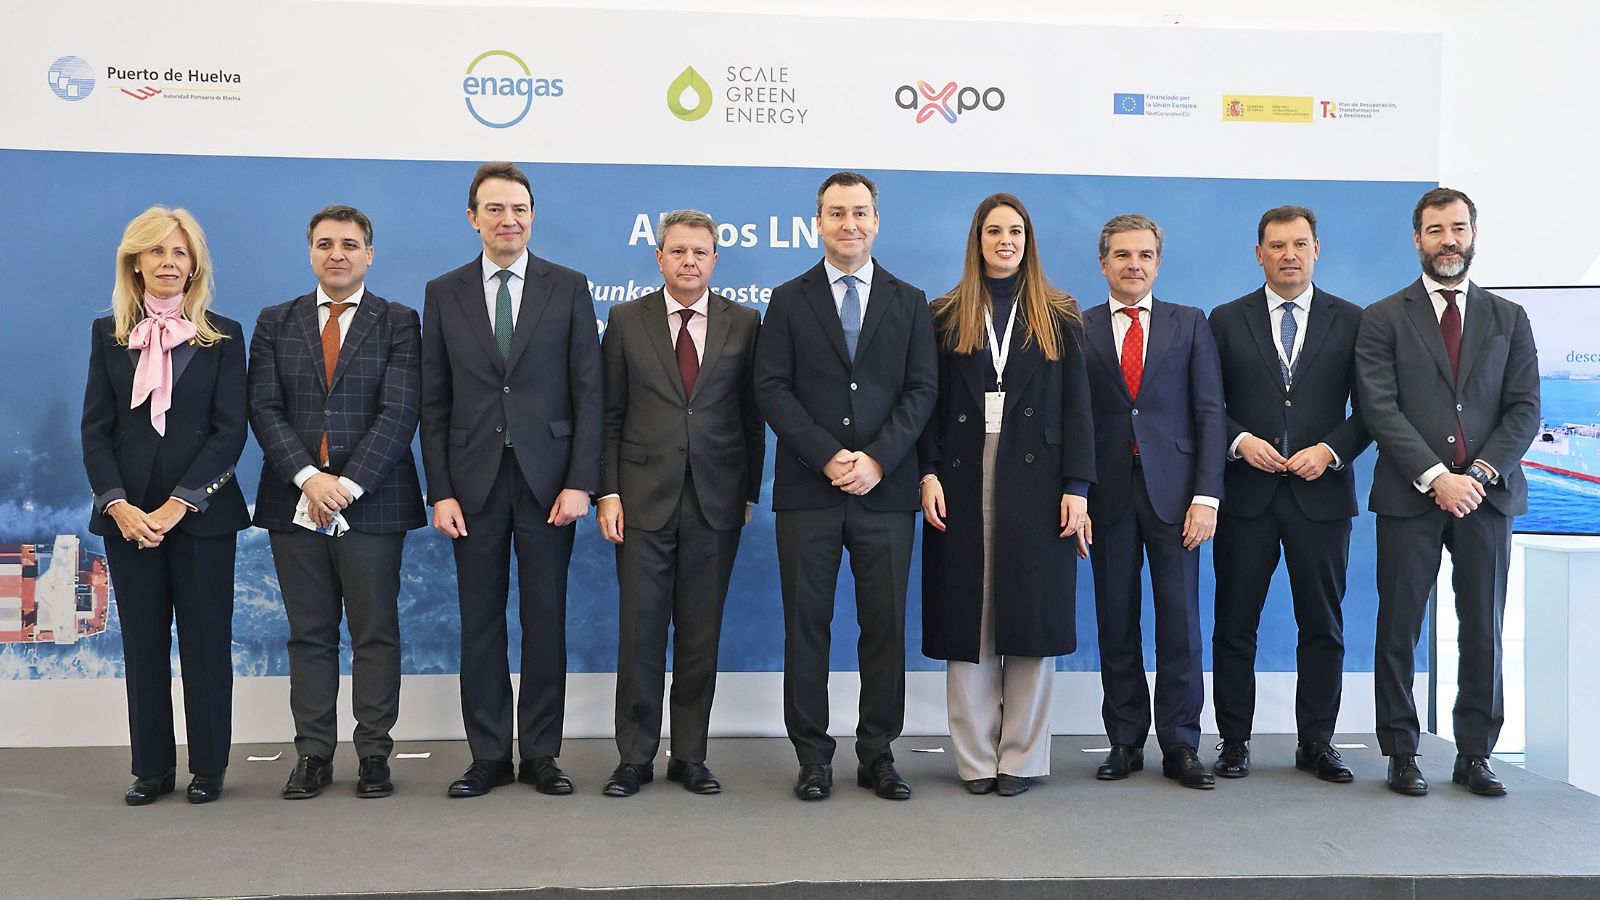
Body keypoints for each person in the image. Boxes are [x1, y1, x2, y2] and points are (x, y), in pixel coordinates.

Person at [420, 161, 602, 798]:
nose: (509, 220)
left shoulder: (569, 286)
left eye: (520, 208)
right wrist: (440, 490)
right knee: (481, 623)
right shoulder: (443, 292)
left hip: (549, 484)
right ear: (473, 218)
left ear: (533, 216)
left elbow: (589, 390)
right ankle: (489, 754)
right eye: (495, 209)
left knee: (546, 620)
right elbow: (434, 403)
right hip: (471, 486)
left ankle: (543, 755)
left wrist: (582, 480)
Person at [754, 171, 937, 801]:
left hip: (885, 492)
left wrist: (878, 460)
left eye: (860, 212)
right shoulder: (788, 299)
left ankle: (879, 753)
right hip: (810, 491)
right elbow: (771, 388)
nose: (849, 224)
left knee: (883, 626)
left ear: (877, 220)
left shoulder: (910, 300)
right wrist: (829, 456)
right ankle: (812, 756)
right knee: (807, 625)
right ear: (819, 223)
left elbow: (922, 390)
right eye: (836, 213)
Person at [1355, 187, 1539, 797]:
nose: (1448, 240)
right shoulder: (1383, 317)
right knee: (1399, 627)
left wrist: (1478, 476)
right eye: (1435, 230)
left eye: (1458, 228)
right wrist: (1438, 478)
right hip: (1412, 497)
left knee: (1482, 626)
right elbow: (1379, 409)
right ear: (1417, 239)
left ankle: (1475, 753)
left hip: (1488, 498)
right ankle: (1402, 752)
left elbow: (1524, 410)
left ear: (1474, 233)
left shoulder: (1509, 318)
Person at [918, 193, 1094, 797]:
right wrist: (928, 472)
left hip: (1038, 479)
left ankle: (1019, 757)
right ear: (977, 239)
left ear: (1028, 240)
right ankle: (973, 759)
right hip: (962, 474)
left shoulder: (1060, 313)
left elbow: (1079, 412)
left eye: (1015, 231)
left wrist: (1078, 487)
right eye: (994, 231)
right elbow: (927, 407)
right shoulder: (944, 313)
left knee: (1029, 617)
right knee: (971, 617)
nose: (1005, 241)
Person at [248, 205, 425, 800]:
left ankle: (374, 754)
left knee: (376, 632)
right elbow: (264, 409)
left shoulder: (399, 321)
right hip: (293, 501)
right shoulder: (276, 321)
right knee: (311, 634)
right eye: (325, 244)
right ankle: (313, 756)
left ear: (369, 254)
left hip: (372, 503)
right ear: (310, 253)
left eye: (350, 244)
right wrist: (308, 478)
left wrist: (343, 486)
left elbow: (399, 413)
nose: (338, 254)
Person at [81, 206, 250, 805]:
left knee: (206, 644)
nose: (168, 263)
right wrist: (118, 506)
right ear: (135, 262)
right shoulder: (108, 334)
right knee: (143, 646)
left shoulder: (224, 335)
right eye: (156, 252)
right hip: (129, 522)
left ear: (194, 264)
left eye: (179, 253)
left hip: (202, 518)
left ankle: (208, 767)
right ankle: (151, 769)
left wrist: (182, 503)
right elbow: (96, 432)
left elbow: (231, 432)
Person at [595, 210, 764, 797]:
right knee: (640, 633)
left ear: (715, 261)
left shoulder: (745, 322)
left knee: (700, 634)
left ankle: (690, 755)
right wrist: (608, 491)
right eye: (678, 251)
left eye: (700, 252)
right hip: (640, 501)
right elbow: (609, 416)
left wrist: (747, 493)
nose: (689, 261)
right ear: (659, 258)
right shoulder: (624, 320)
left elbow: (751, 418)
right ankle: (635, 757)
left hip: (716, 502)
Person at [1207, 206, 1370, 782]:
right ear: (1259, 254)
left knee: (1322, 625)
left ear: (1316, 249)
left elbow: (1372, 410)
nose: (1289, 255)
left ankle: (1317, 743)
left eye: (1300, 244)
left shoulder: (1353, 320)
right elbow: (1206, 407)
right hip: (1246, 496)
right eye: (1277, 246)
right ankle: (1232, 741)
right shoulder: (1225, 320)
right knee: (1233, 624)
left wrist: (1330, 451)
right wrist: (1239, 442)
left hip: (1321, 496)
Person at [1080, 213, 1225, 789]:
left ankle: (1182, 744)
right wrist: (1077, 495)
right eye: (1121, 254)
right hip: (1107, 496)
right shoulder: (1078, 327)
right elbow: (1074, 420)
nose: (1133, 264)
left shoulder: (1189, 324)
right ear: (1103, 263)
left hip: (1178, 498)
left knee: (1181, 626)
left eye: (1144, 255)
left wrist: (1207, 496)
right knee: (1116, 622)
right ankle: (1124, 741)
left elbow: (1210, 413)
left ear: (1158, 263)